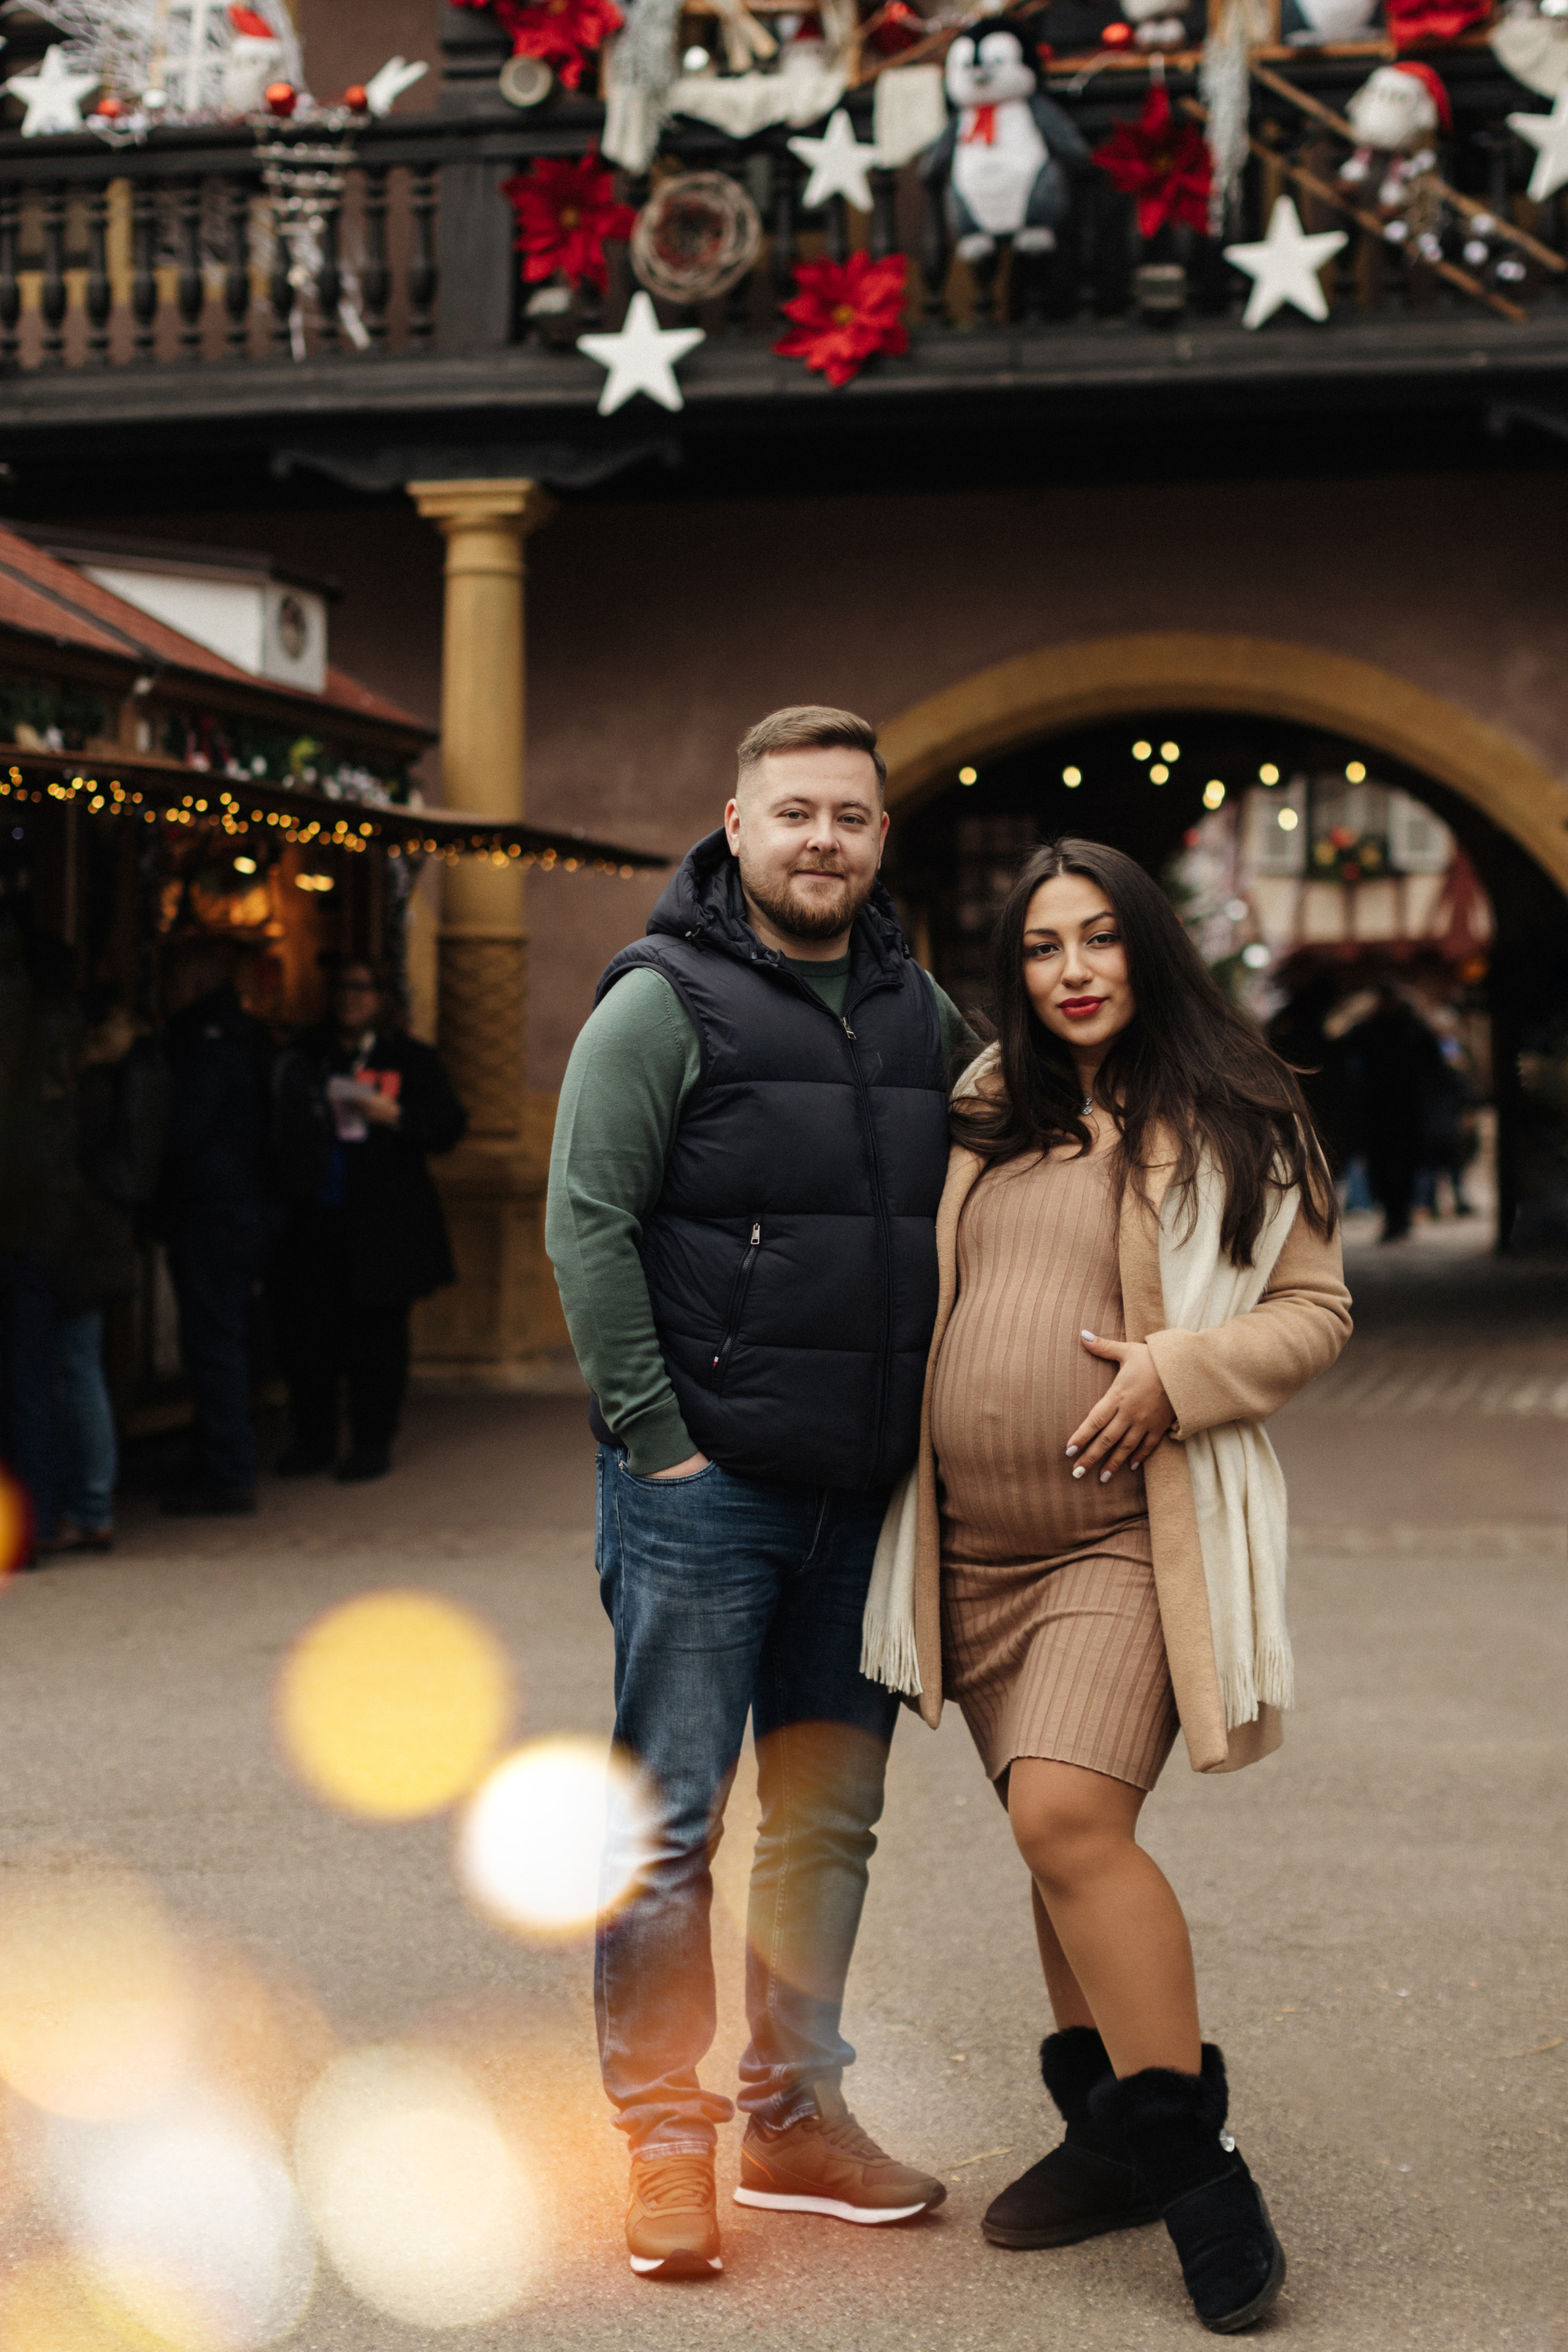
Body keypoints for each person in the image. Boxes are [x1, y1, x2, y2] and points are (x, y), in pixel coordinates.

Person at [871, 839, 1351, 2334]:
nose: (1070, 969)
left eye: (1097, 938)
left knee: (1063, 1815)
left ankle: (1189, 2162)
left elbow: (1316, 1306)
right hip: (970, 1548)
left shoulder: (1240, 1110)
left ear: (1146, 947)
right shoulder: (979, 1109)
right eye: (1037, 947)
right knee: (1054, 1833)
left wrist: (1180, 1369)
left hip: (1118, 1538)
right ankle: (1103, 2137)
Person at [546, 706, 975, 2280]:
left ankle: (792, 2114)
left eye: (849, 819)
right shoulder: (664, 1000)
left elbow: (1024, 1145)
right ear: (734, 824)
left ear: (876, 840)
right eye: (793, 813)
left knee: (827, 1819)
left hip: (854, 1488)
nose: (822, 842)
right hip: (700, 1488)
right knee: (668, 1822)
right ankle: (666, 2141)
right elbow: (584, 1221)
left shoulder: (910, 1004)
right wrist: (657, 1434)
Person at [270, 959, 466, 1482]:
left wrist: (395, 1116)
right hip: (314, 1220)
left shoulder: (411, 1059)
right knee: (308, 1339)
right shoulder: (306, 1056)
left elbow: (448, 1127)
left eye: (362, 987)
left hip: (382, 1227)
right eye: (341, 986)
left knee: (376, 1342)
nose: (350, 998)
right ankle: (312, 1440)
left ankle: (370, 1442)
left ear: (382, 997)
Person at [46, 995, 172, 1554]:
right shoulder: (135, 1080)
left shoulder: (93, 1091)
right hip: (103, 1238)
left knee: (74, 1368)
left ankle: (90, 1504)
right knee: (81, 1367)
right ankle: (91, 1503)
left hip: (80, 1241)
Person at [156, 936, 276, 1515]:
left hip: (213, 1211)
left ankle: (226, 1470)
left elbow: (184, 1133)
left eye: (173, 980)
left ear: (196, 983)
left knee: (214, 1341)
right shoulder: (244, 1034)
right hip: (241, 1207)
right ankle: (221, 1456)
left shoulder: (205, 1044)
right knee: (222, 1338)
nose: (165, 993)